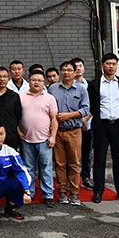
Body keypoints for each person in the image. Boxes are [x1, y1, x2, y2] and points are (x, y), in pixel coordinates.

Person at [88, 53, 119, 204]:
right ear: (102, 65)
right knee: (99, 160)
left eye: (114, 64)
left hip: (118, 125)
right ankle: (98, 191)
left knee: (118, 160)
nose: (111, 67)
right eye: (108, 63)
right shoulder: (94, 84)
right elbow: (92, 104)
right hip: (101, 126)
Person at [49, 61, 90, 206]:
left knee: (74, 163)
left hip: (74, 131)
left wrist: (69, 115)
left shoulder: (81, 89)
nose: (66, 72)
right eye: (64, 70)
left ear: (74, 72)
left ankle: (74, 192)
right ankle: (62, 191)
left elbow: (85, 109)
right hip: (58, 131)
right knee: (60, 163)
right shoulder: (53, 89)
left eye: (69, 70)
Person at [18, 69, 58, 207]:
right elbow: (16, 117)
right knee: (28, 168)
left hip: (45, 140)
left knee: (46, 168)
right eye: (33, 80)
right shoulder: (21, 97)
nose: (36, 83)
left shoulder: (50, 98)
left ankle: (48, 195)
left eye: (39, 80)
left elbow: (54, 119)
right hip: (26, 139)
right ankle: (29, 193)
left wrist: (53, 136)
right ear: (29, 81)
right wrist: (18, 131)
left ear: (43, 82)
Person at [72, 57, 94, 191]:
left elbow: (93, 105)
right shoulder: (68, 85)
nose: (78, 68)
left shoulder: (90, 85)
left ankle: (86, 177)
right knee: (72, 155)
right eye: (76, 66)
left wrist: (85, 120)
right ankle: (71, 179)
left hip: (87, 125)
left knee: (87, 154)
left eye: (80, 66)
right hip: (73, 125)